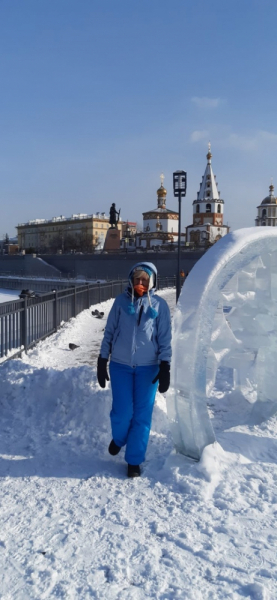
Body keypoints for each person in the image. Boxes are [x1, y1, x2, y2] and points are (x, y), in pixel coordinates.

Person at [97, 262, 171, 478]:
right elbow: (109, 331)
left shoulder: (160, 305)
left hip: (148, 368)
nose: (140, 283)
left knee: (142, 415)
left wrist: (165, 365)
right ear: (131, 279)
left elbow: (165, 339)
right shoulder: (120, 302)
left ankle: (134, 460)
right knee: (122, 412)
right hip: (120, 365)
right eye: (137, 279)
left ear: (152, 282)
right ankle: (119, 439)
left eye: (145, 280)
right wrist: (102, 360)